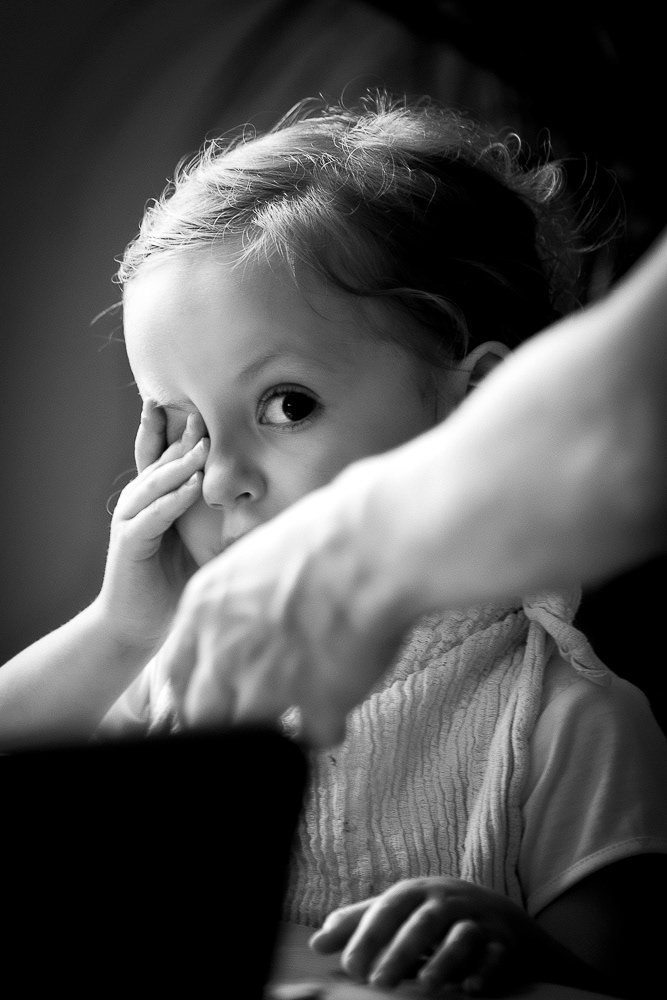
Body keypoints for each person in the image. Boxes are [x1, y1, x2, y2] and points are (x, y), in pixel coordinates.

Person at [1, 95, 666, 996]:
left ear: (476, 406)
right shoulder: (178, 677)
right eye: (183, 426)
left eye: (287, 405)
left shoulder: (562, 720)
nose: (220, 477)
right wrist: (121, 630)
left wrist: (511, 952)